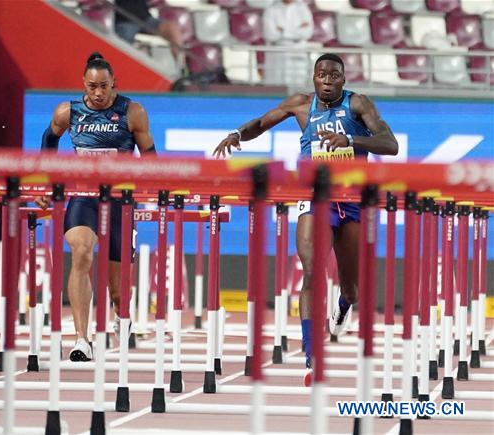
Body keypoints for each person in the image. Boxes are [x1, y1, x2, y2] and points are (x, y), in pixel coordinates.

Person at [213, 54, 398, 382]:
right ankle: (313, 351)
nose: (327, 80)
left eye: (334, 75)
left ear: (343, 79)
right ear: (314, 78)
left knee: (353, 288)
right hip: (315, 195)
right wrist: (236, 134)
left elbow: (390, 143)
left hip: (353, 199)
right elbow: (260, 123)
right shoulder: (301, 104)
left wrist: (351, 140)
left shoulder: (359, 105)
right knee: (312, 269)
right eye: (321, 74)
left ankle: (343, 305)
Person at [35, 52, 156, 362]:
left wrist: (152, 188)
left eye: (104, 86)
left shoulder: (133, 112)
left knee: (118, 291)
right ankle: (81, 339)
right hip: (83, 197)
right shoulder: (68, 112)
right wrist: (46, 185)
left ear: (113, 82)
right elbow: (49, 141)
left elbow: (152, 158)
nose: (99, 93)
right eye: (92, 87)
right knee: (80, 252)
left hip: (121, 203)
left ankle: (120, 317)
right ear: (84, 85)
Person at [113, 0, 187, 74]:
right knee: (123, 47)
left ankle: (182, 69)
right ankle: (123, 73)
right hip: (124, 19)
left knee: (173, 28)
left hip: (146, 18)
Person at [262, 0, 314, 87]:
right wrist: (297, 29)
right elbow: (270, 34)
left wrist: (283, 30)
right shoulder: (271, 9)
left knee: (298, 86)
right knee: (276, 86)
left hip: (297, 49)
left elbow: (307, 33)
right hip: (277, 51)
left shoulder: (303, 9)